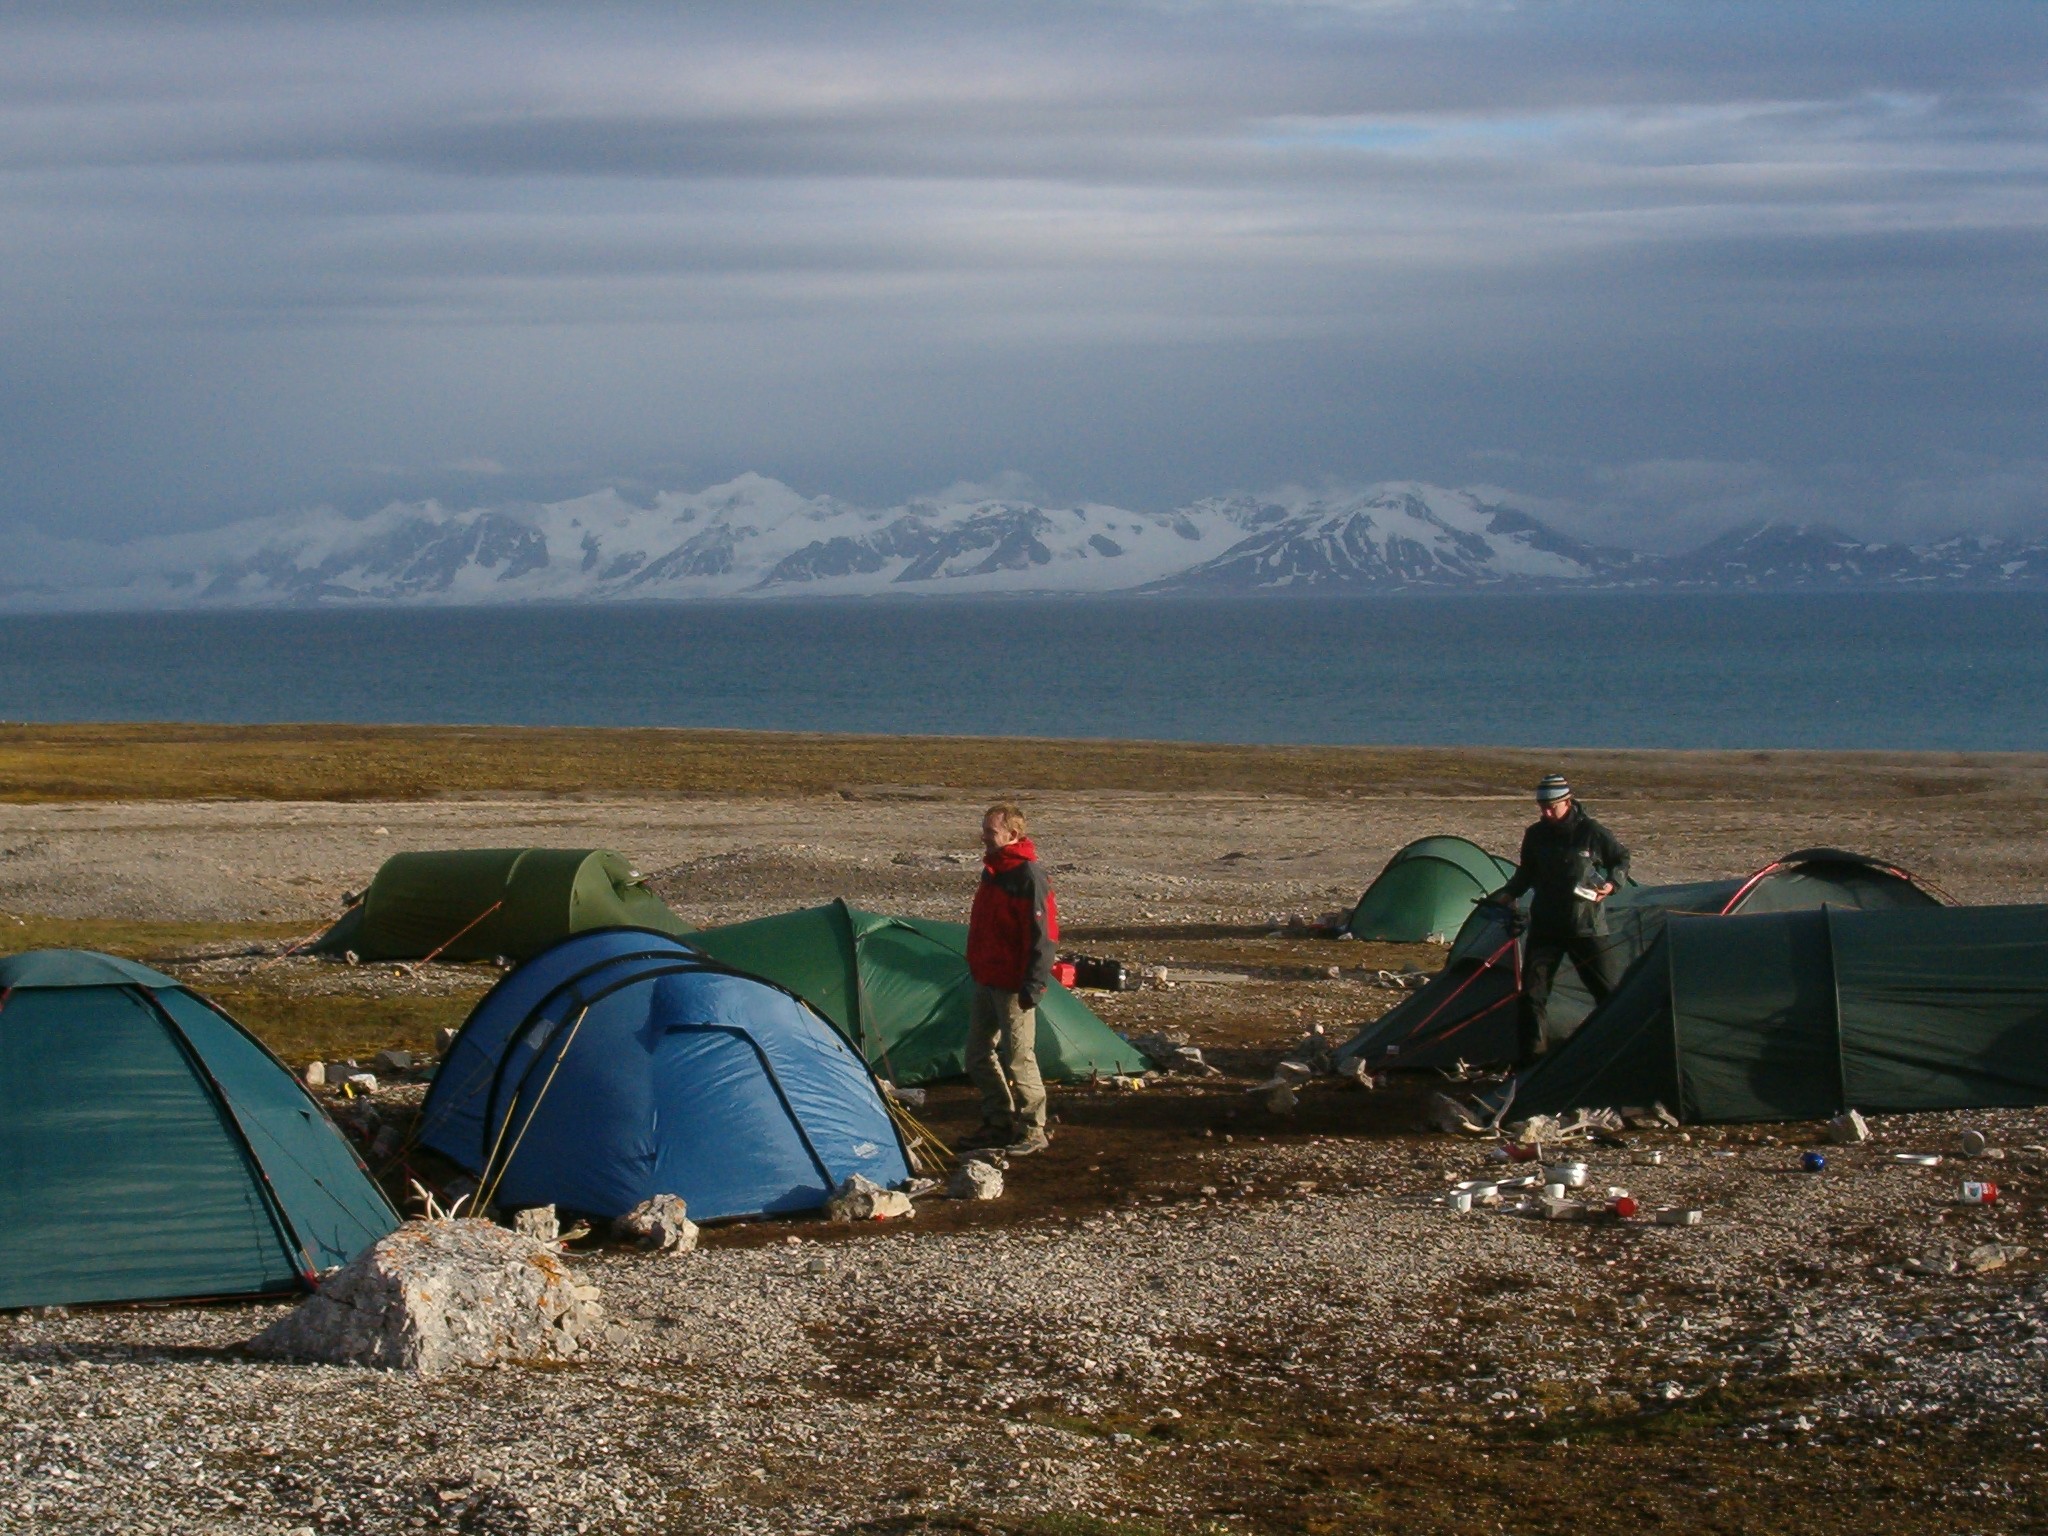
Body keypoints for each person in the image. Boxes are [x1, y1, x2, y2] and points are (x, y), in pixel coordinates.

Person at [1487, 774, 1631, 1065]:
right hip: (1546, 926)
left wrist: (1612, 885)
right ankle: (1531, 1062)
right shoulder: (1535, 834)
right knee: (1532, 995)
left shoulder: (1592, 832)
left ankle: (1621, 1056)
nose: (1546, 813)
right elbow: (1526, 872)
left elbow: (1620, 858)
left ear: (1567, 801)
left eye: (1551, 807)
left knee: (1608, 993)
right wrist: (1508, 893)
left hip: (1586, 926)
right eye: (1541, 807)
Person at [961, 802, 1059, 1154]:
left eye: (990, 830)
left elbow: (1042, 936)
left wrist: (1033, 984)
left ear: (1012, 834)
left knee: (1019, 1056)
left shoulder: (1027, 875)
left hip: (1012, 983)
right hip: (987, 977)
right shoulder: (995, 871)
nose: (984, 836)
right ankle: (998, 1119)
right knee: (977, 1053)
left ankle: (1034, 1129)